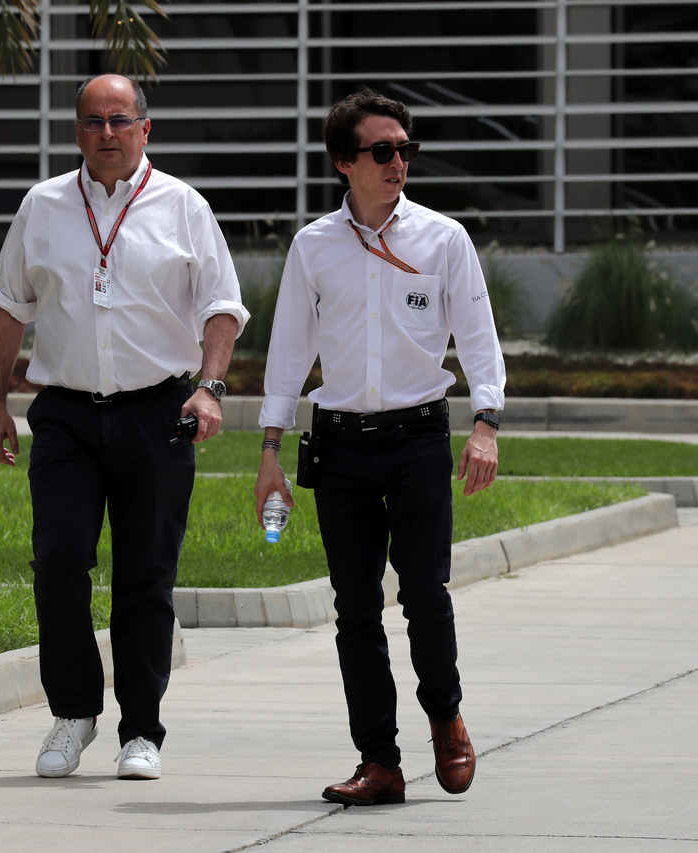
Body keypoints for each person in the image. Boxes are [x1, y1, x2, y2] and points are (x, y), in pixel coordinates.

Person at [0, 73, 249, 781]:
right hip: (67, 415)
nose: (107, 132)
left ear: (145, 128)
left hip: (157, 412)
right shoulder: (42, 206)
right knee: (60, 561)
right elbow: (10, 303)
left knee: (145, 576)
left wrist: (210, 387)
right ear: (77, 131)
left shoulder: (183, 206)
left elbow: (222, 306)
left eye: (120, 119)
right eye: (93, 121)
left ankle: (142, 729)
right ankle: (73, 713)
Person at [253, 88, 505, 805]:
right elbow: (289, 354)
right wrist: (271, 449)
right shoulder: (314, 246)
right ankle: (379, 761)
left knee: (425, 593)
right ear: (345, 163)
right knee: (355, 607)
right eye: (383, 151)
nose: (399, 163)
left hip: (419, 436)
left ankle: (446, 715)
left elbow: (479, 339)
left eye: (406, 149)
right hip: (341, 446)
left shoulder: (442, 239)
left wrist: (485, 421)